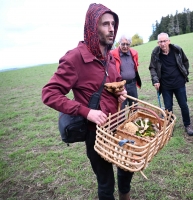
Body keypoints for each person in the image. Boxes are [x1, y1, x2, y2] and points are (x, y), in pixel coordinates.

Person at [41, 3, 133, 200]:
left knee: (127, 169)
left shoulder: (109, 56)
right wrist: (86, 111)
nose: (111, 29)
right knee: (106, 183)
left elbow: (114, 82)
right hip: (96, 135)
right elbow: (49, 93)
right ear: (93, 27)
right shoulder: (75, 58)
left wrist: (120, 92)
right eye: (105, 24)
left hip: (118, 127)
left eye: (113, 24)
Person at [149, 32, 193, 136]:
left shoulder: (177, 50)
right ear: (158, 43)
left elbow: (185, 62)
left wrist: (185, 73)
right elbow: (152, 68)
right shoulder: (155, 53)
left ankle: (188, 125)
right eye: (160, 41)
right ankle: (169, 127)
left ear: (169, 41)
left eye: (165, 41)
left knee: (184, 105)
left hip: (179, 83)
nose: (163, 43)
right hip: (165, 86)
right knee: (168, 108)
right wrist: (155, 80)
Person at [111, 35, 142, 109]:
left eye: (127, 44)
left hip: (132, 84)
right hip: (121, 86)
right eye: (123, 44)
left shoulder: (134, 53)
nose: (125, 46)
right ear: (119, 43)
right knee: (121, 108)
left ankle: (133, 120)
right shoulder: (113, 54)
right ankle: (123, 121)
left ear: (130, 44)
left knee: (134, 107)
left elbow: (135, 66)